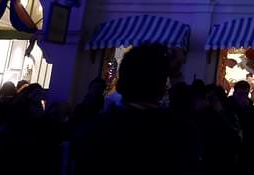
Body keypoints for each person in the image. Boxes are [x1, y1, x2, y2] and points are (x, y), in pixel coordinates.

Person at [74, 43, 197, 173]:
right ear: (162, 88)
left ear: (121, 82)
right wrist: (176, 77)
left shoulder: (93, 130)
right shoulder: (174, 133)